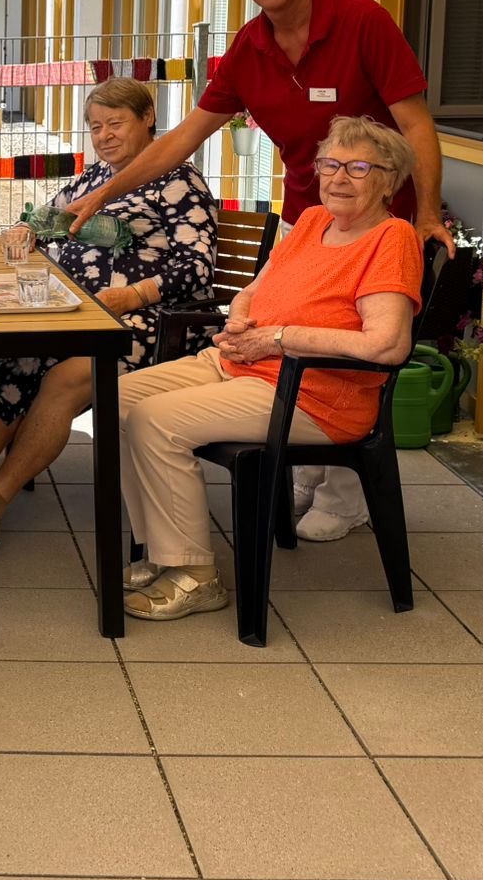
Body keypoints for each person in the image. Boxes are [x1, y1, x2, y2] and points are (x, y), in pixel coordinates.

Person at [65, 0, 447, 542]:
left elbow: (415, 123)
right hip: (307, 214)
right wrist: (103, 193)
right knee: (286, 317)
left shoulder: (361, 20)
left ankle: (345, 487)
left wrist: (426, 212)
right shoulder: (251, 46)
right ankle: (298, 457)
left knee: (355, 341)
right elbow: (181, 139)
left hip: (380, 209)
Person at [0, 78, 218, 550]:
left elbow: (197, 265)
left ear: (148, 119)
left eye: (115, 123)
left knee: (66, 377)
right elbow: (43, 218)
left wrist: (132, 296)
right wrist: (26, 230)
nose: (104, 136)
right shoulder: (95, 179)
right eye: (95, 127)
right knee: (19, 353)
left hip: (150, 325)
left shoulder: (179, 180)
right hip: (80, 314)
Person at [114, 116, 423, 622]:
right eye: (330, 164)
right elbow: (256, 290)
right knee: (119, 399)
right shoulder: (312, 222)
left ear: (389, 181)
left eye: (358, 168)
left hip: (313, 394)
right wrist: (239, 320)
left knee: (156, 421)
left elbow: (386, 345)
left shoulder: (391, 238)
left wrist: (279, 338)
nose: (338, 178)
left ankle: (195, 575)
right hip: (248, 363)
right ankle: (162, 549)